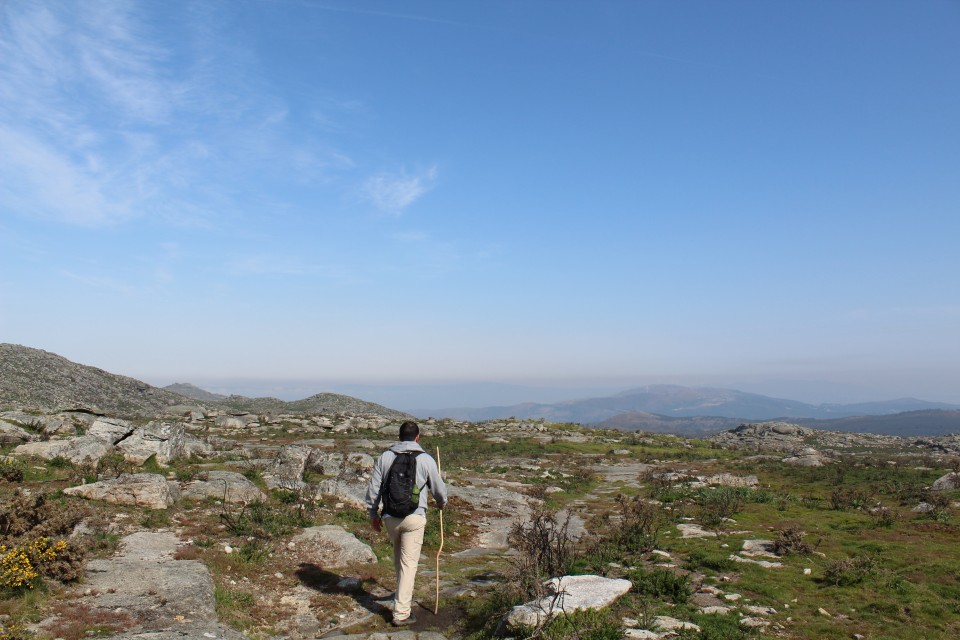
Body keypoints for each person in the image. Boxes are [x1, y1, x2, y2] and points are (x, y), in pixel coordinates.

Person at [366, 420, 447, 626]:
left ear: (399, 437)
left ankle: (401, 595)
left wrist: (373, 514)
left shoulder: (386, 457)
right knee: (409, 564)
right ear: (417, 437)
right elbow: (438, 489)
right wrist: (441, 503)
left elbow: (374, 489)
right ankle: (401, 613)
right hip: (414, 517)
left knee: (399, 558)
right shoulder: (426, 459)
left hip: (391, 517)